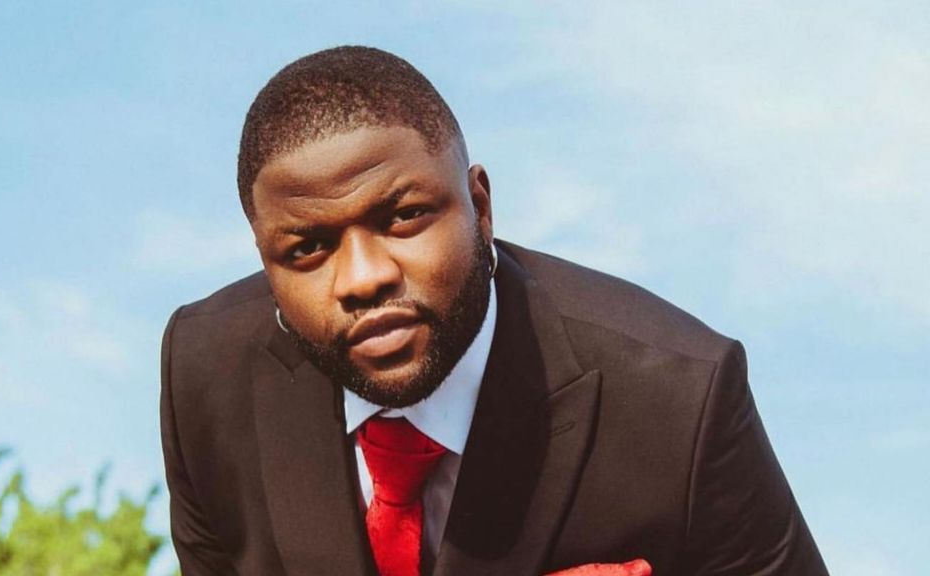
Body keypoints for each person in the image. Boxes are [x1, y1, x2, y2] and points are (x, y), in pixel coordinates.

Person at [160, 46, 828, 576]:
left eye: (404, 217)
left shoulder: (680, 399)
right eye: (308, 248)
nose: (363, 278)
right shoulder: (203, 374)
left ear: (479, 207)